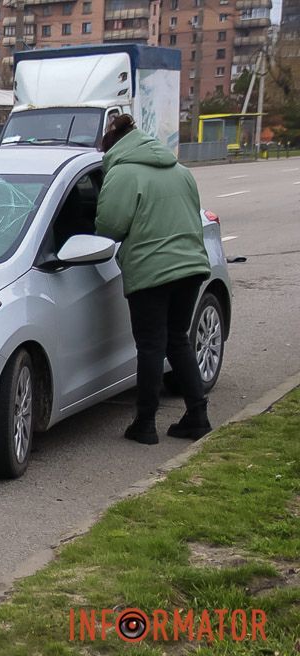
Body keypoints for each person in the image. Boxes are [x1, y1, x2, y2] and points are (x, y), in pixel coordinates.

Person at [96, 114, 213, 446]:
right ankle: (198, 415)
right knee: (177, 340)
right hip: (191, 267)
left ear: (113, 143)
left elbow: (109, 227)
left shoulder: (122, 173)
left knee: (150, 346)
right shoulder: (180, 171)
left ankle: (145, 423)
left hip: (151, 271)